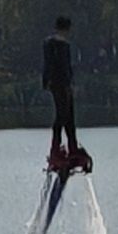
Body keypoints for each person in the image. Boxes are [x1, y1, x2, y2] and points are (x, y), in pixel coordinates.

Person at [43, 13, 84, 166]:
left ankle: (72, 148)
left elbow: (64, 68)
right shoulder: (57, 45)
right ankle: (55, 149)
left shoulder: (57, 44)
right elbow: (59, 67)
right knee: (62, 116)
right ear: (67, 29)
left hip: (61, 84)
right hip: (60, 85)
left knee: (69, 117)